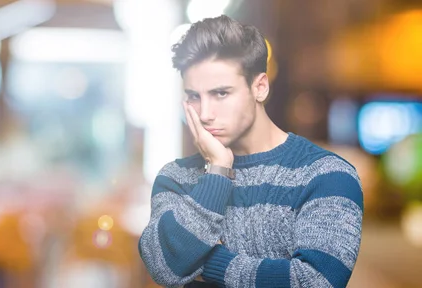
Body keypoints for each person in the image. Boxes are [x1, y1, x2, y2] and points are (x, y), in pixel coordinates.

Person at [138, 15, 363, 288]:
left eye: (221, 93)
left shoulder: (328, 176)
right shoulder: (175, 178)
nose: (205, 114)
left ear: (260, 87)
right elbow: (164, 269)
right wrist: (218, 170)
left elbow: (316, 282)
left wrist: (211, 262)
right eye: (194, 96)